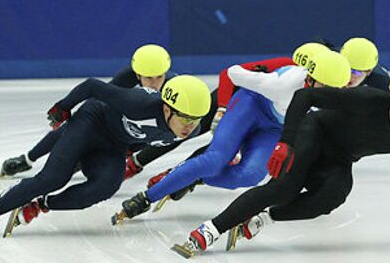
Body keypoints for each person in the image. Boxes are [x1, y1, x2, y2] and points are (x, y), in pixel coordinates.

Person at [170, 68, 390, 258]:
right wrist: (286, 142)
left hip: (338, 158)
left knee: (332, 197)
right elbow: (305, 96)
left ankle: (263, 219)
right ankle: (209, 231)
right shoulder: (367, 100)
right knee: (283, 188)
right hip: (314, 132)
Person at [0, 75, 211, 240]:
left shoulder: (190, 131)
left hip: (114, 145)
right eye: (185, 118)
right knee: (53, 177)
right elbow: (92, 86)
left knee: (106, 186)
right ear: (167, 108)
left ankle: (41, 205)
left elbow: (153, 141)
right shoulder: (138, 103)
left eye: (195, 120)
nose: (190, 126)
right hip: (91, 122)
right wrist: (62, 109)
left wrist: (133, 158)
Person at [115, 48, 352, 222]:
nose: (329, 95)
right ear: (310, 79)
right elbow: (231, 73)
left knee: (250, 176)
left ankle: (195, 177)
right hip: (250, 105)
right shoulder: (282, 83)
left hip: (273, 127)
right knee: (215, 159)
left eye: (336, 90)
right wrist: (222, 108)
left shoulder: (334, 98)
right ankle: (146, 197)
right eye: (324, 88)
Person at [0, 44, 178, 177]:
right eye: (148, 77)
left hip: (133, 135)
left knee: (76, 163)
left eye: (159, 77)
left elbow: (164, 131)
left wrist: (131, 152)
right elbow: (97, 100)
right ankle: (27, 159)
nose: (154, 83)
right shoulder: (126, 78)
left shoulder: (174, 87)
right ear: (137, 74)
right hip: (112, 119)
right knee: (68, 129)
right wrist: (67, 112)